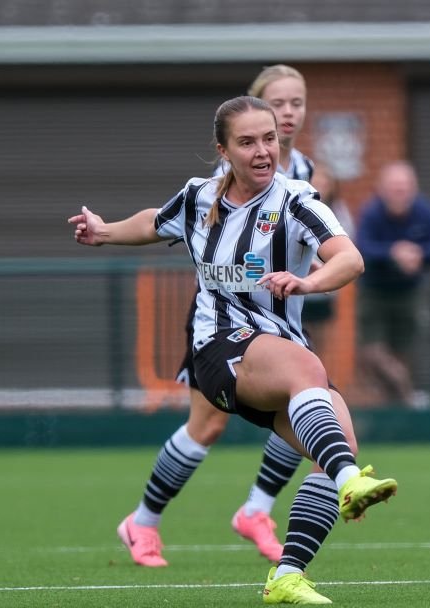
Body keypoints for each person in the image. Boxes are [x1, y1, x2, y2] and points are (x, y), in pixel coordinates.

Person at [70, 95, 398, 605]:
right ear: (223, 149)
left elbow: (349, 259)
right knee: (306, 373)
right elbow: (155, 221)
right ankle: (348, 482)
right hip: (218, 347)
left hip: (278, 354)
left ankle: (287, 575)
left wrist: (308, 284)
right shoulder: (199, 198)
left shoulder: (296, 200)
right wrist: (105, 232)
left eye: (269, 138)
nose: (263, 150)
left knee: (337, 445)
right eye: (247, 142)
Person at [115, 64, 333, 573]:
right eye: (278, 103)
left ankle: (256, 509)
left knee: (305, 402)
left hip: (281, 312)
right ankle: (143, 521)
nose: (288, 113)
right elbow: (198, 228)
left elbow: (307, 238)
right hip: (226, 317)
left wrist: (320, 268)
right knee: (208, 425)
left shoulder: (301, 169)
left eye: (296, 103)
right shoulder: (227, 177)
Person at [354, 161, 430, 407]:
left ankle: (397, 404)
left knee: (403, 350)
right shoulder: (371, 213)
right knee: (372, 353)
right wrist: (393, 253)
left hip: (410, 292)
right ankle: (407, 395)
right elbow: (361, 247)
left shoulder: (426, 211)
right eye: (395, 187)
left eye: (404, 187)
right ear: (382, 189)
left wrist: (418, 254)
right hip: (374, 292)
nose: (400, 193)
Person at [301, 161, 355, 365]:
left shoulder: (339, 212)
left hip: (325, 289)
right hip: (300, 290)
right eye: (317, 180)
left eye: (325, 180)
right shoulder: (298, 208)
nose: (321, 184)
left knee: (321, 342)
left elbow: (349, 244)